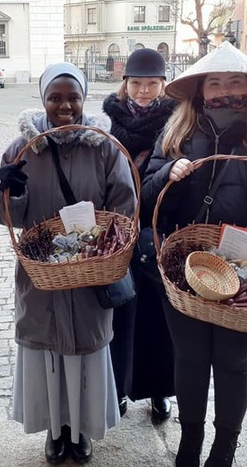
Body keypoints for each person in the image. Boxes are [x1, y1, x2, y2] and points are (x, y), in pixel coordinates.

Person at [140, 42, 247, 467]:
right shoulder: (177, 134)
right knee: (190, 359)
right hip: (186, 272)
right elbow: (145, 199)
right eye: (214, 82)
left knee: (233, 362)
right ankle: (190, 442)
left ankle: (224, 446)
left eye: (235, 80)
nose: (224, 89)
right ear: (200, 90)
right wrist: (166, 175)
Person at [0, 62, 136, 464]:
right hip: (42, 277)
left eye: (73, 97)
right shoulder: (22, 148)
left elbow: (124, 207)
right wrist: (10, 191)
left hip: (89, 272)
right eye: (55, 97)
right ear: (43, 100)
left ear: (84, 98)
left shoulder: (103, 146)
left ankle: (81, 430)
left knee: (84, 355)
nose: (64, 105)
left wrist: (102, 245)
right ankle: (55, 431)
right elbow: (4, 216)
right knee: (49, 356)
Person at [102, 48, 178, 422]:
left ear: (163, 85)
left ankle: (160, 390)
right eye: (137, 83)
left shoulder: (177, 125)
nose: (144, 91)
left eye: (151, 83)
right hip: (119, 232)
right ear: (125, 85)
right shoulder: (111, 123)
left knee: (159, 318)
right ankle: (118, 388)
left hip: (157, 230)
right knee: (119, 315)